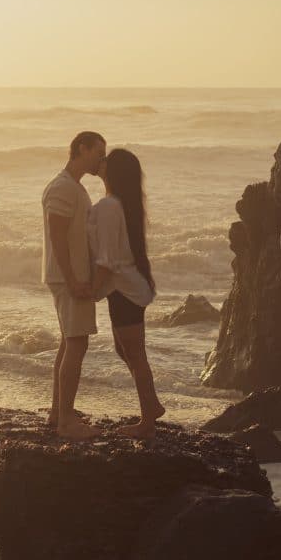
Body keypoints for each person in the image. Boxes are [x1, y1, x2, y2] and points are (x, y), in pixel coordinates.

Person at [88, 148, 164, 439]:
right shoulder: (121, 204)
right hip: (125, 287)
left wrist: (91, 291)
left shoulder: (109, 206)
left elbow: (107, 259)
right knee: (125, 350)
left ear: (113, 170)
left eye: (107, 159)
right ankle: (152, 405)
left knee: (135, 353)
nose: (101, 161)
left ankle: (147, 422)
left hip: (123, 289)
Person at [42, 130, 106, 439]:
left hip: (71, 275)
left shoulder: (74, 188)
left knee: (70, 341)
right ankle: (66, 421)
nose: (101, 159)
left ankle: (58, 413)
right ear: (82, 148)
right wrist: (73, 280)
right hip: (69, 277)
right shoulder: (64, 188)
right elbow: (57, 236)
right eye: (98, 153)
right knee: (77, 343)